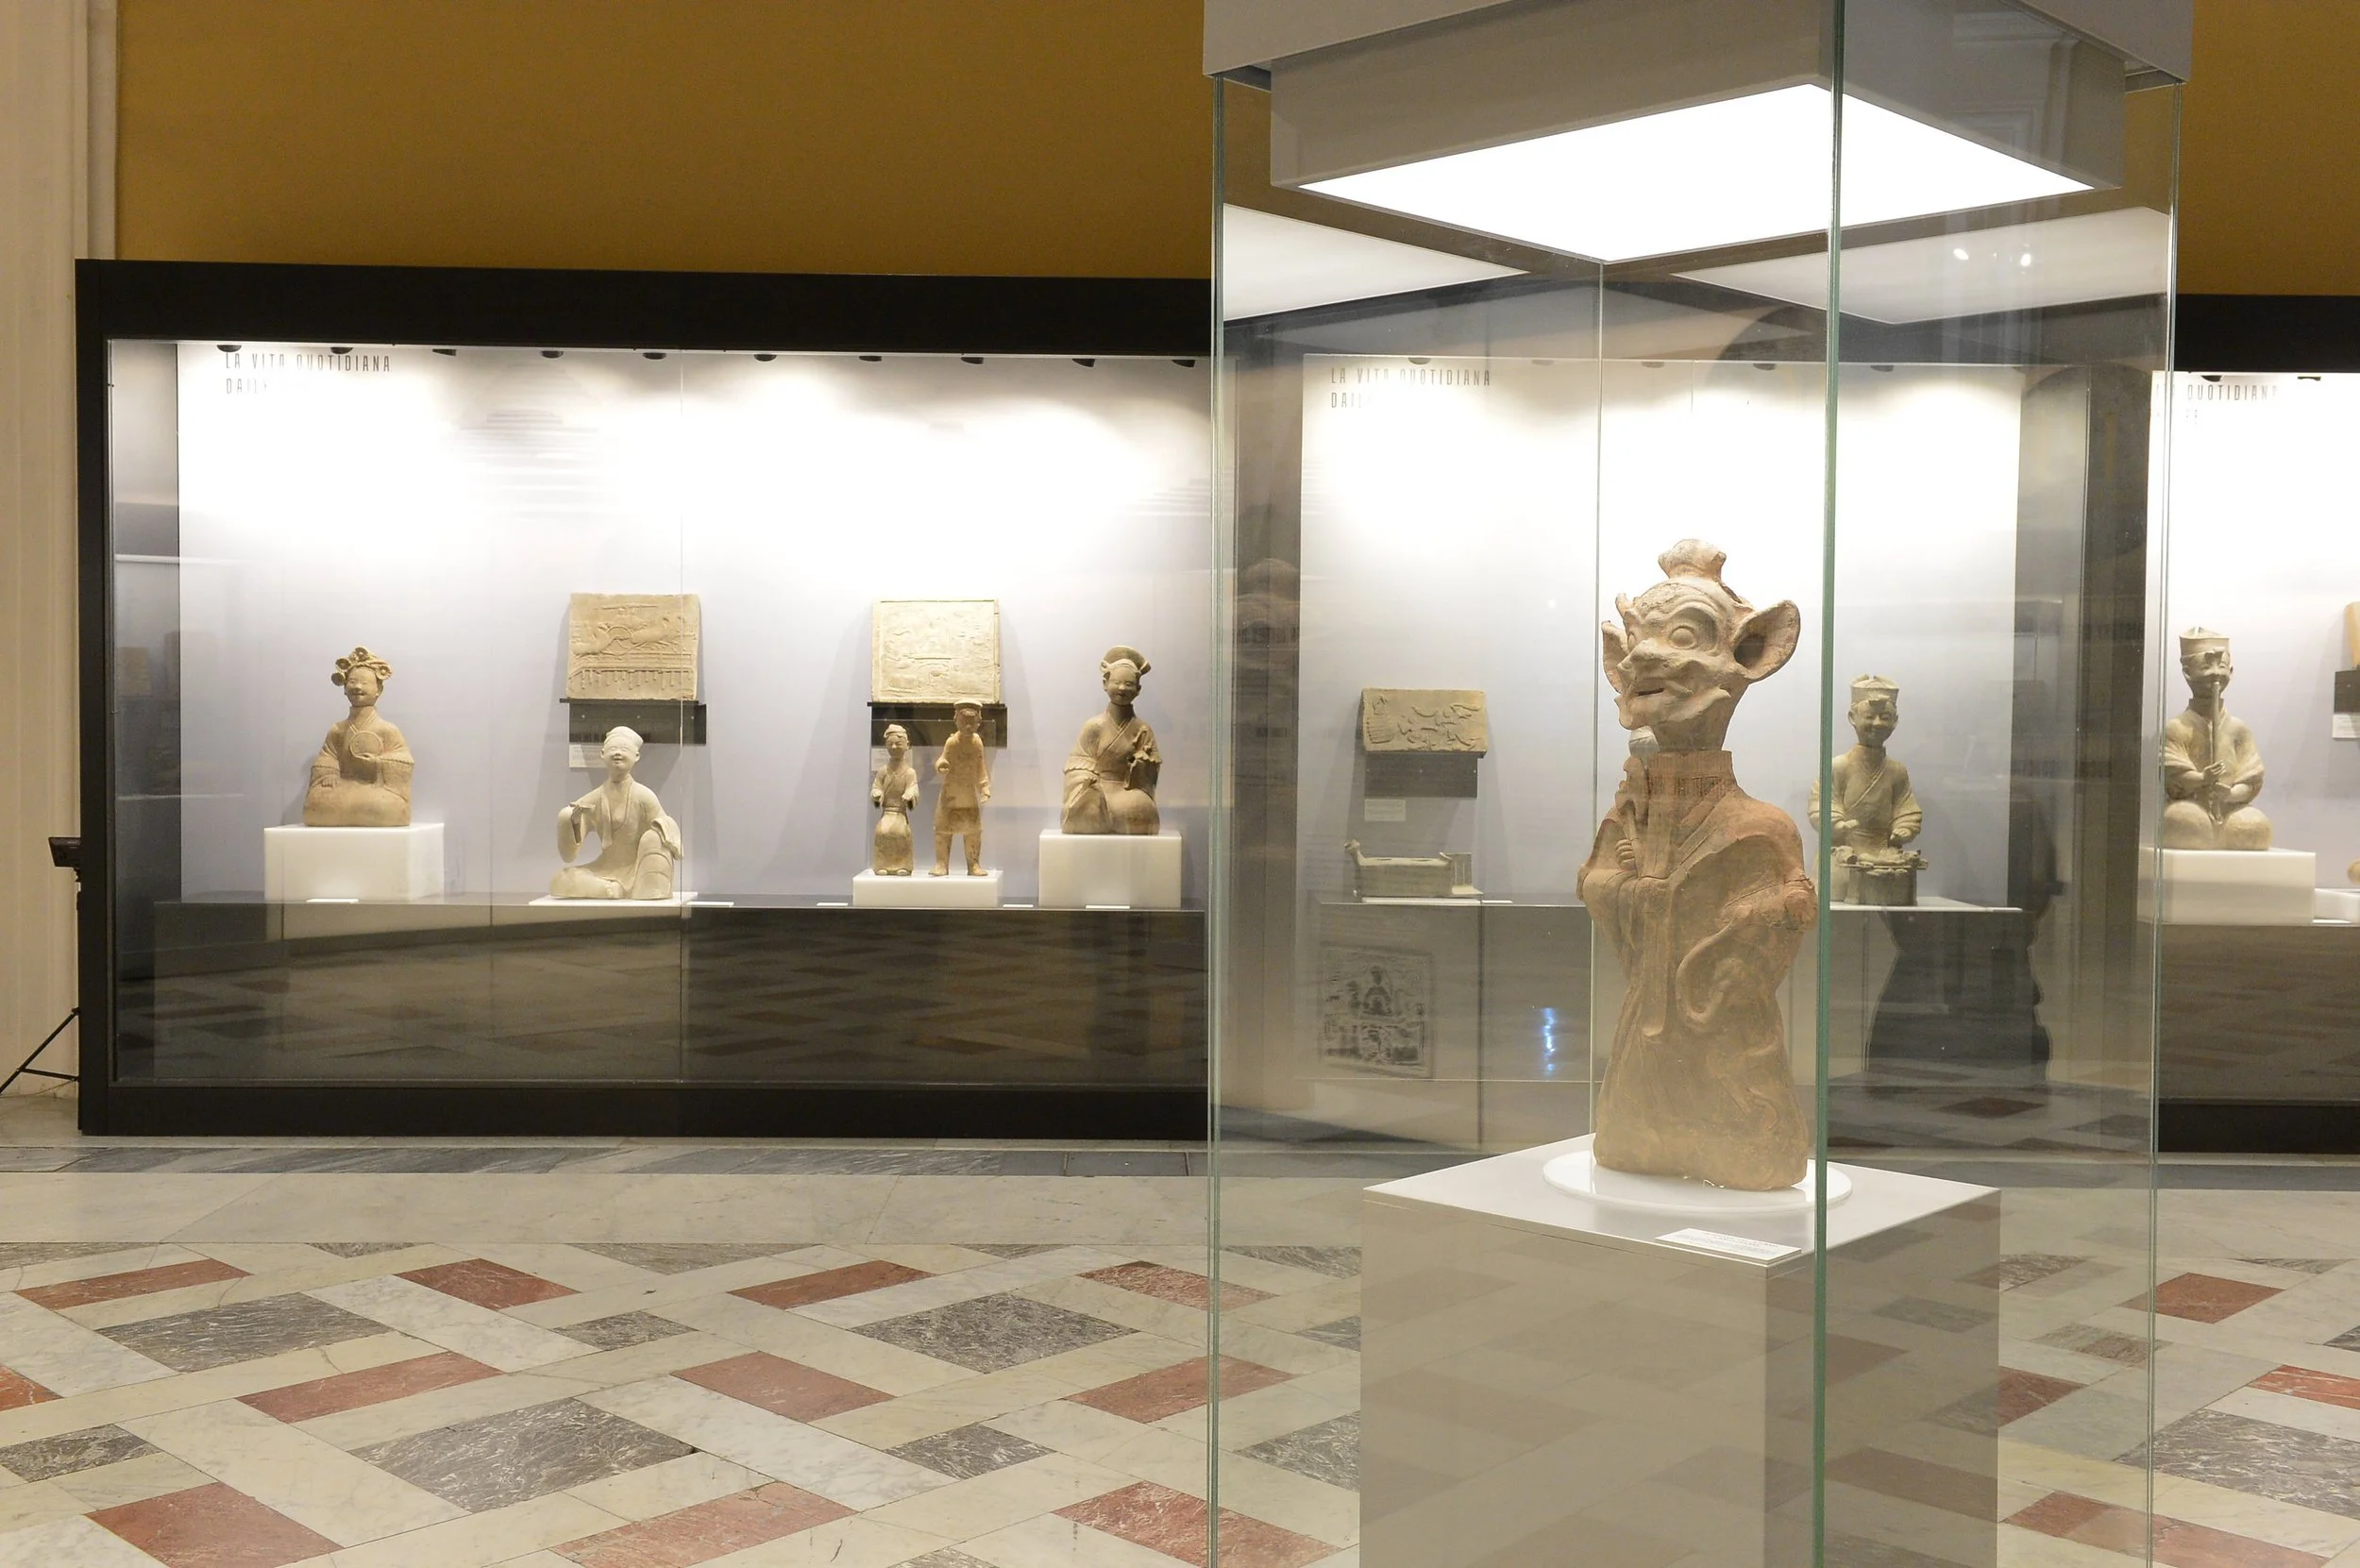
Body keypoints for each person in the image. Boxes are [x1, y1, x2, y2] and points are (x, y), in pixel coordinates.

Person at [550, 727, 682, 899]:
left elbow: (666, 831)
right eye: (613, 749)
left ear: (636, 756)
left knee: (655, 837)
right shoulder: (595, 798)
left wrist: (658, 832)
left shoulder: (644, 796)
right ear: (602, 754)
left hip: (636, 868)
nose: (618, 753)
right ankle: (607, 889)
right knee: (559, 880)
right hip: (604, 870)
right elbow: (569, 855)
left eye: (624, 749)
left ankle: (632, 888)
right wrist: (571, 821)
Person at [303, 647, 413, 827]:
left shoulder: (387, 729)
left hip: (374, 788)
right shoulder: (338, 729)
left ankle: (355, 810)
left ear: (379, 690)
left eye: (364, 683)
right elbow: (327, 757)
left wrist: (377, 763)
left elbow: (404, 762)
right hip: (343, 785)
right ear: (344, 688)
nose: (357, 687)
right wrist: (329, 774)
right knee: (314, 805)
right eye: (352, 682)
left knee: (384, 806)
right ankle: (354, 810)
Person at [1060, 647, 1160, 835]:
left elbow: (1150, 776)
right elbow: (1076, 764)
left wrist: (1142, 764)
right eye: (1116, 682)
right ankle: (1102, 816)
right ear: (1105, 684)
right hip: (1098, 791)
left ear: (1138, 690)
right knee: (1088, 807)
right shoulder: (1094, 726)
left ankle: (1107, 818)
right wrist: (1086, 778)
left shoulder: (1143, 729)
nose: (1122, 688)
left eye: (1129, 684)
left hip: (1126, 792)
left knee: (1143, 809)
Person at [932, 701, 991, 875]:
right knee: (943, 830)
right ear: (956, 720)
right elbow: (942, 759)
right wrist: (941, 765)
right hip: (950, 792)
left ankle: (973, 865)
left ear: (978, 723)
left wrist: (985, 786)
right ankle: (941, 864)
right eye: (964, 721)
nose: (968, 726)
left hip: (967, 792)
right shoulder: (952, 742)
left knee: (972, 831)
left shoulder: (977, 743)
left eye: (972, 723)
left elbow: (981, 767)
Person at [869, 724, 919, 875]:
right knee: (881, 832)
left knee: (902, 834)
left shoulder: (910, 772)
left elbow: (913, 787)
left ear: (907, 746)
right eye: (890, 744)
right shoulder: (883, 771)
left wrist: (910, 795)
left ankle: (903, 866)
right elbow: (876, 786)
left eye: (898, 743)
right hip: (887, 812)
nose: (894, 746)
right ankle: (881, 866)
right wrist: (877, 794)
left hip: (900, 813)